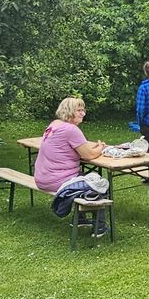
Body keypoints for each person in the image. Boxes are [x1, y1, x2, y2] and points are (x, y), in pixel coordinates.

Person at [34, 97, 108, 236]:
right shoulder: (71, 129)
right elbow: (88, 156)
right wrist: (101, 147)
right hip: (57, 180)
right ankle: (100, 228)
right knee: (100, 184)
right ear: (69, 112)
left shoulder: (54, 124)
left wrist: (92, 148)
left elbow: (76, 147)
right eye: (79, 110)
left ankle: (80, 219)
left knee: (84, 177)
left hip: (42, 177)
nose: (83, 113)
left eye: (83, 110)